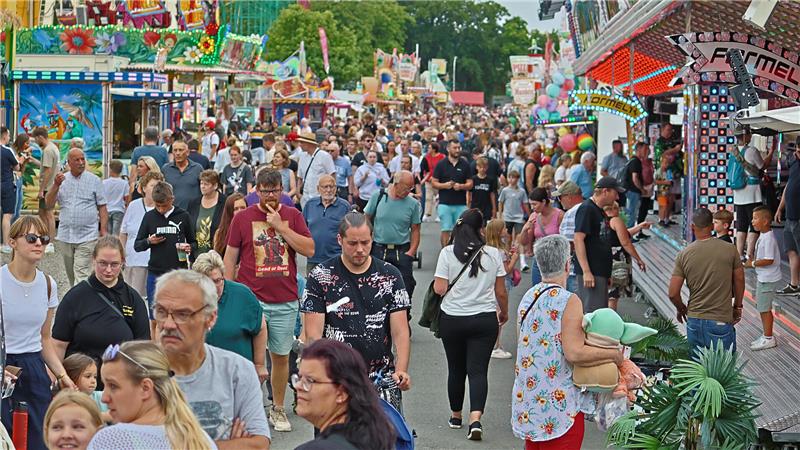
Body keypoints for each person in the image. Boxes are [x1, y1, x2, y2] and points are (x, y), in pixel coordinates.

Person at [223, 168, 314, 433]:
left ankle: (277, 408)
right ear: (257, 191)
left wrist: (280, 228)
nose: (271, 195)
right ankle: (243, 410)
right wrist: (228, 292)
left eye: (275, 190)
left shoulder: (293, 216)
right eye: (265, 190)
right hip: (251, 299)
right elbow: (230, 258)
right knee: (245, 357)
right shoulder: (243, 219)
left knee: (281, 356)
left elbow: (309, 249)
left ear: (282, 190)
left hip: (285, 299)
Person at [513, 235, 624, 449]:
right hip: (559, 404)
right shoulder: (568, 300)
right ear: (567, 264)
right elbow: (574, 353)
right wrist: (613, 355)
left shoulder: (529, 297)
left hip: (530, 400)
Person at [302, 211, 412, 402]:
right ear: (340, 240)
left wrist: (401, 369)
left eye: (365, 243)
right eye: (353, 243)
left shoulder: (390, 275)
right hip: (334, 381)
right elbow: (313, 335)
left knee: (384, 433)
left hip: (381, 380)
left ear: (372, 239)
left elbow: (401, 331)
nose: (360, 249)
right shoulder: (320, 276)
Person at [153, 271, 271, 448]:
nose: (168, 324)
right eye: (161, 311)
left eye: (183, 314)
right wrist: (226, 445)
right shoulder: (138, 373)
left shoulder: (237, 370)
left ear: (211, 318)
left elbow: (258, 444)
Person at [1, 216, 76, 450]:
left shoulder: (48, 284)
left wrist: (63, 376)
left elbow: (44, 339)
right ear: (12, 242)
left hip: (33, 367)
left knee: (37, 440)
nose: (39, 244)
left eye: (44, 239)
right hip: (3, 365)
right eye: (32, 238)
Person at [433, 209, 508, 441]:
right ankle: (475, 419)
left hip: (452, 319)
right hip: (484, 319)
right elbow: (500, 291)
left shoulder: (447, 253)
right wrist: (503, 312)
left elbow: (439, 288)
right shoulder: (493, 254)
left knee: (455, 369)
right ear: (480, 229)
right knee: (478, 371)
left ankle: (456, 416)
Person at [52, 235, 151, 384]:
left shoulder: (133, 299)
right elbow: (58, 345)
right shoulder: (75, 297)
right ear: (93, 260)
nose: (108, 270)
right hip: (80, 385)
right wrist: (57, 381)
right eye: (102, 263)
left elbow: (142, 349)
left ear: (123, 262)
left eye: (114, 264)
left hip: (120, 383)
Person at [89, 341, 218, 450]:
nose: (104, 398)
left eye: (113, 386)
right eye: (104, 385)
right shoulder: (201, 439)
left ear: (145, 388)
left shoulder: (111, 440)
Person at [293, 339, 397, 450]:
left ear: (341, 393)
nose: (298, 386)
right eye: (299, 378)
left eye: (309, 380)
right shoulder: (377, 436)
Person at [669, 208, 745, 357]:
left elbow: (673, 293)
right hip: (721, 319)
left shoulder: (684, 254)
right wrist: (737, 307)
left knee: (697, 372)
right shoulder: (730, 249)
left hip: (694, 320)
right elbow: (740, 280)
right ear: (711, 226)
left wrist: (681, 308)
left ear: (692, 227)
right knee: (721, 372)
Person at [192, 251, 268, 377]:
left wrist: (259, 364)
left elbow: (260, 327)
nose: (213, 287)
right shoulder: (188, 298)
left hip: (238, 376)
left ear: (223, 276)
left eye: (217, 281)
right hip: (202, 377)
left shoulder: (242, 295)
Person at [45, 148, 108, 286]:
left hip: (87, 236)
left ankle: (81, 303)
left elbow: (102, 207)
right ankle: (78, 297)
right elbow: (48, 204)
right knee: (71, 274)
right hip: (66, 235)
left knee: (81, 271)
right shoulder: (61, 180)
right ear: (69, 162)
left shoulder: (94, 180)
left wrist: (103, 230)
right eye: (77, 160)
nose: (81, 162)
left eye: (83, 159)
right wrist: (55, 185)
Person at [134, 181, 196, 321]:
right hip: (155, 273)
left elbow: (194, 242)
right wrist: (149, 241)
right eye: (157, 206)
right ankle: (155, 342)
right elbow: (137, 245)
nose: (161, 209)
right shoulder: (149, 217)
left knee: (179, 313)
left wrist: (189, 247)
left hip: (178, 273)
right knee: (155, 317)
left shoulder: (183, 216)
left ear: (172, 200)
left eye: (164, 205)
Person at [364, 170, 422, 297]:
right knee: (375, 286)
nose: (409, 191)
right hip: (379, 249)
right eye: (407, 187)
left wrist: (411, 252)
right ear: (396, 184)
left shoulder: (413, 204)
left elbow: (416, 229)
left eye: (411, 187)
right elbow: (366, 218)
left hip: (402, 251)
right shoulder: (378, 196)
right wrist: (367, 240)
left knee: (406, 286)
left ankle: (405, 313)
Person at [573, 176, 625, 312]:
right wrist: (586, 271)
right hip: (592, 272)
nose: (617, 197)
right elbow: (578, 239)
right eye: (615, 193)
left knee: (599, 312)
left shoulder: (598, 210)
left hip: (599, 272)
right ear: (605, 191)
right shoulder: (587, 209)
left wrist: (606, 273)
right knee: (593, 315)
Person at [732, 127, 773, 261]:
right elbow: (762, 166)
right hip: (752, 193)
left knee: (741, 225)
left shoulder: (733, 151)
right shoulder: (751, 150)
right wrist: (771, 152)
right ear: (745, 136)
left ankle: (739, 254)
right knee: (754, 224)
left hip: (738, 194)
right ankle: (750, 254)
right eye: (750, 134)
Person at [744, 206, 782, 351]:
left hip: (768, 279)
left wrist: (752, 263)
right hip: (764, 277)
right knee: (762, 307)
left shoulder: (768, 238)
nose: (752, 221)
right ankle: (766, 335)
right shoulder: (764, 235)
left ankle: (768, 338)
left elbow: (769, 259)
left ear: (766, 221)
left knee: (764, 308)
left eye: (755, 218)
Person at [120, 171, 163, 297]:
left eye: (158, 186)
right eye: (152, 185)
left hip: (154, 263)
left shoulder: (162, 208)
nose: (156, 189)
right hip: (133, 260)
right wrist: (121, 254)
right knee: (132, 298)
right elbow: (123, 232)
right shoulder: (134, 205)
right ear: (144, 188)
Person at [602, 202, 649, 310]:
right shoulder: (616, 220)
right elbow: (626, 242)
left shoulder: (601, 221)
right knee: (613, 296)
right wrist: (639, 259)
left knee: (607, 294)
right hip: (617, 260)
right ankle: (610, 323)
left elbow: (624, 233)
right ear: (614, 209)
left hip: (604, 258)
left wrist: (639, 226)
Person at [484, 219, 518, 359]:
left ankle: (492, 344)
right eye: (504, 229)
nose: (507, 231)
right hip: (503, 282)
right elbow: (505, 270)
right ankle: (496, 345)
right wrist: (514, 259)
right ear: (499, 232)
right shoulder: (501, 251)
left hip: (490, 282)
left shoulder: (488, 249)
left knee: (493, 310)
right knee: (499, 313)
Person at [303, 174, 351, 273]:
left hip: (336, 258)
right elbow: (302, 230)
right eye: (325, 187)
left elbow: (349, 233)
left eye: (331, 186)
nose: (328, 190)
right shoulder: (310, 205)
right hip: (313, 258)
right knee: (312, 287)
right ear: (318, 189)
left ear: (336, 188)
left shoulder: (344, 206)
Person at [432, 140, 473, 247]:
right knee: (446, 229)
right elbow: (434, 182)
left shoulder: (465, 164)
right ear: (448, 149)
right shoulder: (441, 164)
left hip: (461, 204)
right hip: (445, 203)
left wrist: (461, 186)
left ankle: (459, 251)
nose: (457, 150)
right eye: (455, 148)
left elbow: (470, 183)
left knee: (462, 229)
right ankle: (445, 252)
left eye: (459, 148)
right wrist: (445, 185)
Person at [519, 187, 564, 286]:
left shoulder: (559, 215)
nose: (532, 207)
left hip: (556, 260)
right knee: (537, 290)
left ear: (544, 202)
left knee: (554, 291)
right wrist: (525, 230)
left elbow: (565, 241)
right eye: (531, 204)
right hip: (539, 259)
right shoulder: (534, 216)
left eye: (534, 204)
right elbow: (523, 242)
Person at [776, 138, 800, 295]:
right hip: (790, 215)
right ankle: (794, 284)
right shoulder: (794, 163)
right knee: (791, 250)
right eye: (797, 149)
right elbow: (788, 186)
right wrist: (779, 208)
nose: (798, 152)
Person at [33, 126, 60, 252]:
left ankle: (49, 242)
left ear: (40, 137)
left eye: (35, 139)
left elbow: (48, 170)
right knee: (42, 213)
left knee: (48, 214)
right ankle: (45, 238)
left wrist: (41, 189)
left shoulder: (48, 150)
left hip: (47, 188)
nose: (36, 142)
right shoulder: (53, 147)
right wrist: (32, 160)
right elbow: (46, 166)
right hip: (51, 186)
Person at [188, 170, 226, 256]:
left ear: (215, 185)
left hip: (218, 255)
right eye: (201, 183)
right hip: (196, 255)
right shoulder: (193, 203)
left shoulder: (225, 203)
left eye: (206, 184)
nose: (202, 186)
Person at [62, 353, 109, 420]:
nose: (93, 381)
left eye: (95, 377)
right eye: (88, 376)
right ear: (71, 377)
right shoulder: (64, 400)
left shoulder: (101, 396)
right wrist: (104, 416)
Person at [297, 131, 336, 208]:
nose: (300, 145)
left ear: (308, 144)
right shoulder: (302, 156)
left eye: (302, 142)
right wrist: (298, 193)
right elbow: (300, 177)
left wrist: (331, 194)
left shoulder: (325, 156)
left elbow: (332, 175)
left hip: (320, 197)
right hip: (305, 197)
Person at [654, 123, 683, 225]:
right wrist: (674, 150)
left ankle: (668, 217)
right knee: (663, 201)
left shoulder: (673, 140)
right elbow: (661, 153)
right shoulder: (659, 142)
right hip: (664, 176)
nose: (670, 132)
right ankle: (661, 218)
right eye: (668, 130)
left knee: (672, 198)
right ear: (662, 130)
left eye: (671, 130)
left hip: (675, 173)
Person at [162, 139, 203, 210]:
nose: (177, 153)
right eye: (175, 150)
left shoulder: (197, 168)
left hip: (193, 212)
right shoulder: (165, 169)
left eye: (180, 150)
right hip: (171, 212)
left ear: (187, 152)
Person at [498, 170, 529, 246]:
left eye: (513, 177)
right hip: (507, 216)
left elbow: (525, 203)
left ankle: (518, 253)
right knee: (508, 237)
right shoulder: (505, 190)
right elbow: (500, 202)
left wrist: (529, 214)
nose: (511, 179)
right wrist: (500, 215)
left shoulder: (522, 191)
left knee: (519, 236)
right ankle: (508, 253)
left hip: (519, 217)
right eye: (509, 177)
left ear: (517, 179)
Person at [1, 130, 19, 252]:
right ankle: (6, 244)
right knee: (7, 215)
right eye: (8, 135)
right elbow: (17, 166)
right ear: (3, 135)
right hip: (6, 184)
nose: (9, 137)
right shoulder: (7, 151)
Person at [212, 193, 246, 257]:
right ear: (229, 211)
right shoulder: (219, 234)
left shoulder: (252, 231)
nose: (240, 211)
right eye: (236, 209)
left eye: (243, 208)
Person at [623, 142, 647, 228]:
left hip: (629, 190)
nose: (646, 152)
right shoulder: (636, 162)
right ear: (639, 149)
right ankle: (629, 234)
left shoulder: (631, 160)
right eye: (645, 149)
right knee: (631, 213)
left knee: (630, 212)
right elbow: (635, 178)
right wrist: (641, 189)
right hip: (632, 191)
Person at [468, 157, 497, 225]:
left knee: (486, 225)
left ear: (487, 167)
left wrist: (494, 208)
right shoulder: (473, 179)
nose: (482, 169)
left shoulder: (490, 180)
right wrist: (468, 205)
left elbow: (492, 194)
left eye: (484, 167)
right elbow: (469, 193)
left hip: (487, 207)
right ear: (477, 167)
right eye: (480, 167)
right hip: (475, 206)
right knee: (475, 225)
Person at [421, 141, 445, 222]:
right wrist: (427, 178)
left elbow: (443, 169)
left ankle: (439, 214)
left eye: (430, 148)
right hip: (429, 180)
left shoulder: (442, 157)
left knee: (439, 198)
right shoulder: (426, 157)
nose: (428, 149)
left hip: (439, 181)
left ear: (434, 149)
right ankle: (427, 214)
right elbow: (425, 169)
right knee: (428, 198)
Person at [104, 160, 129, 236]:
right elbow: (126, 198)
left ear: (110, 169)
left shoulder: (104, 182)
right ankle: (115, 247)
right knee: (116, 234)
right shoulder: (124, 183)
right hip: (119, 209)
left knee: (108, 233)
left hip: (107, 210)